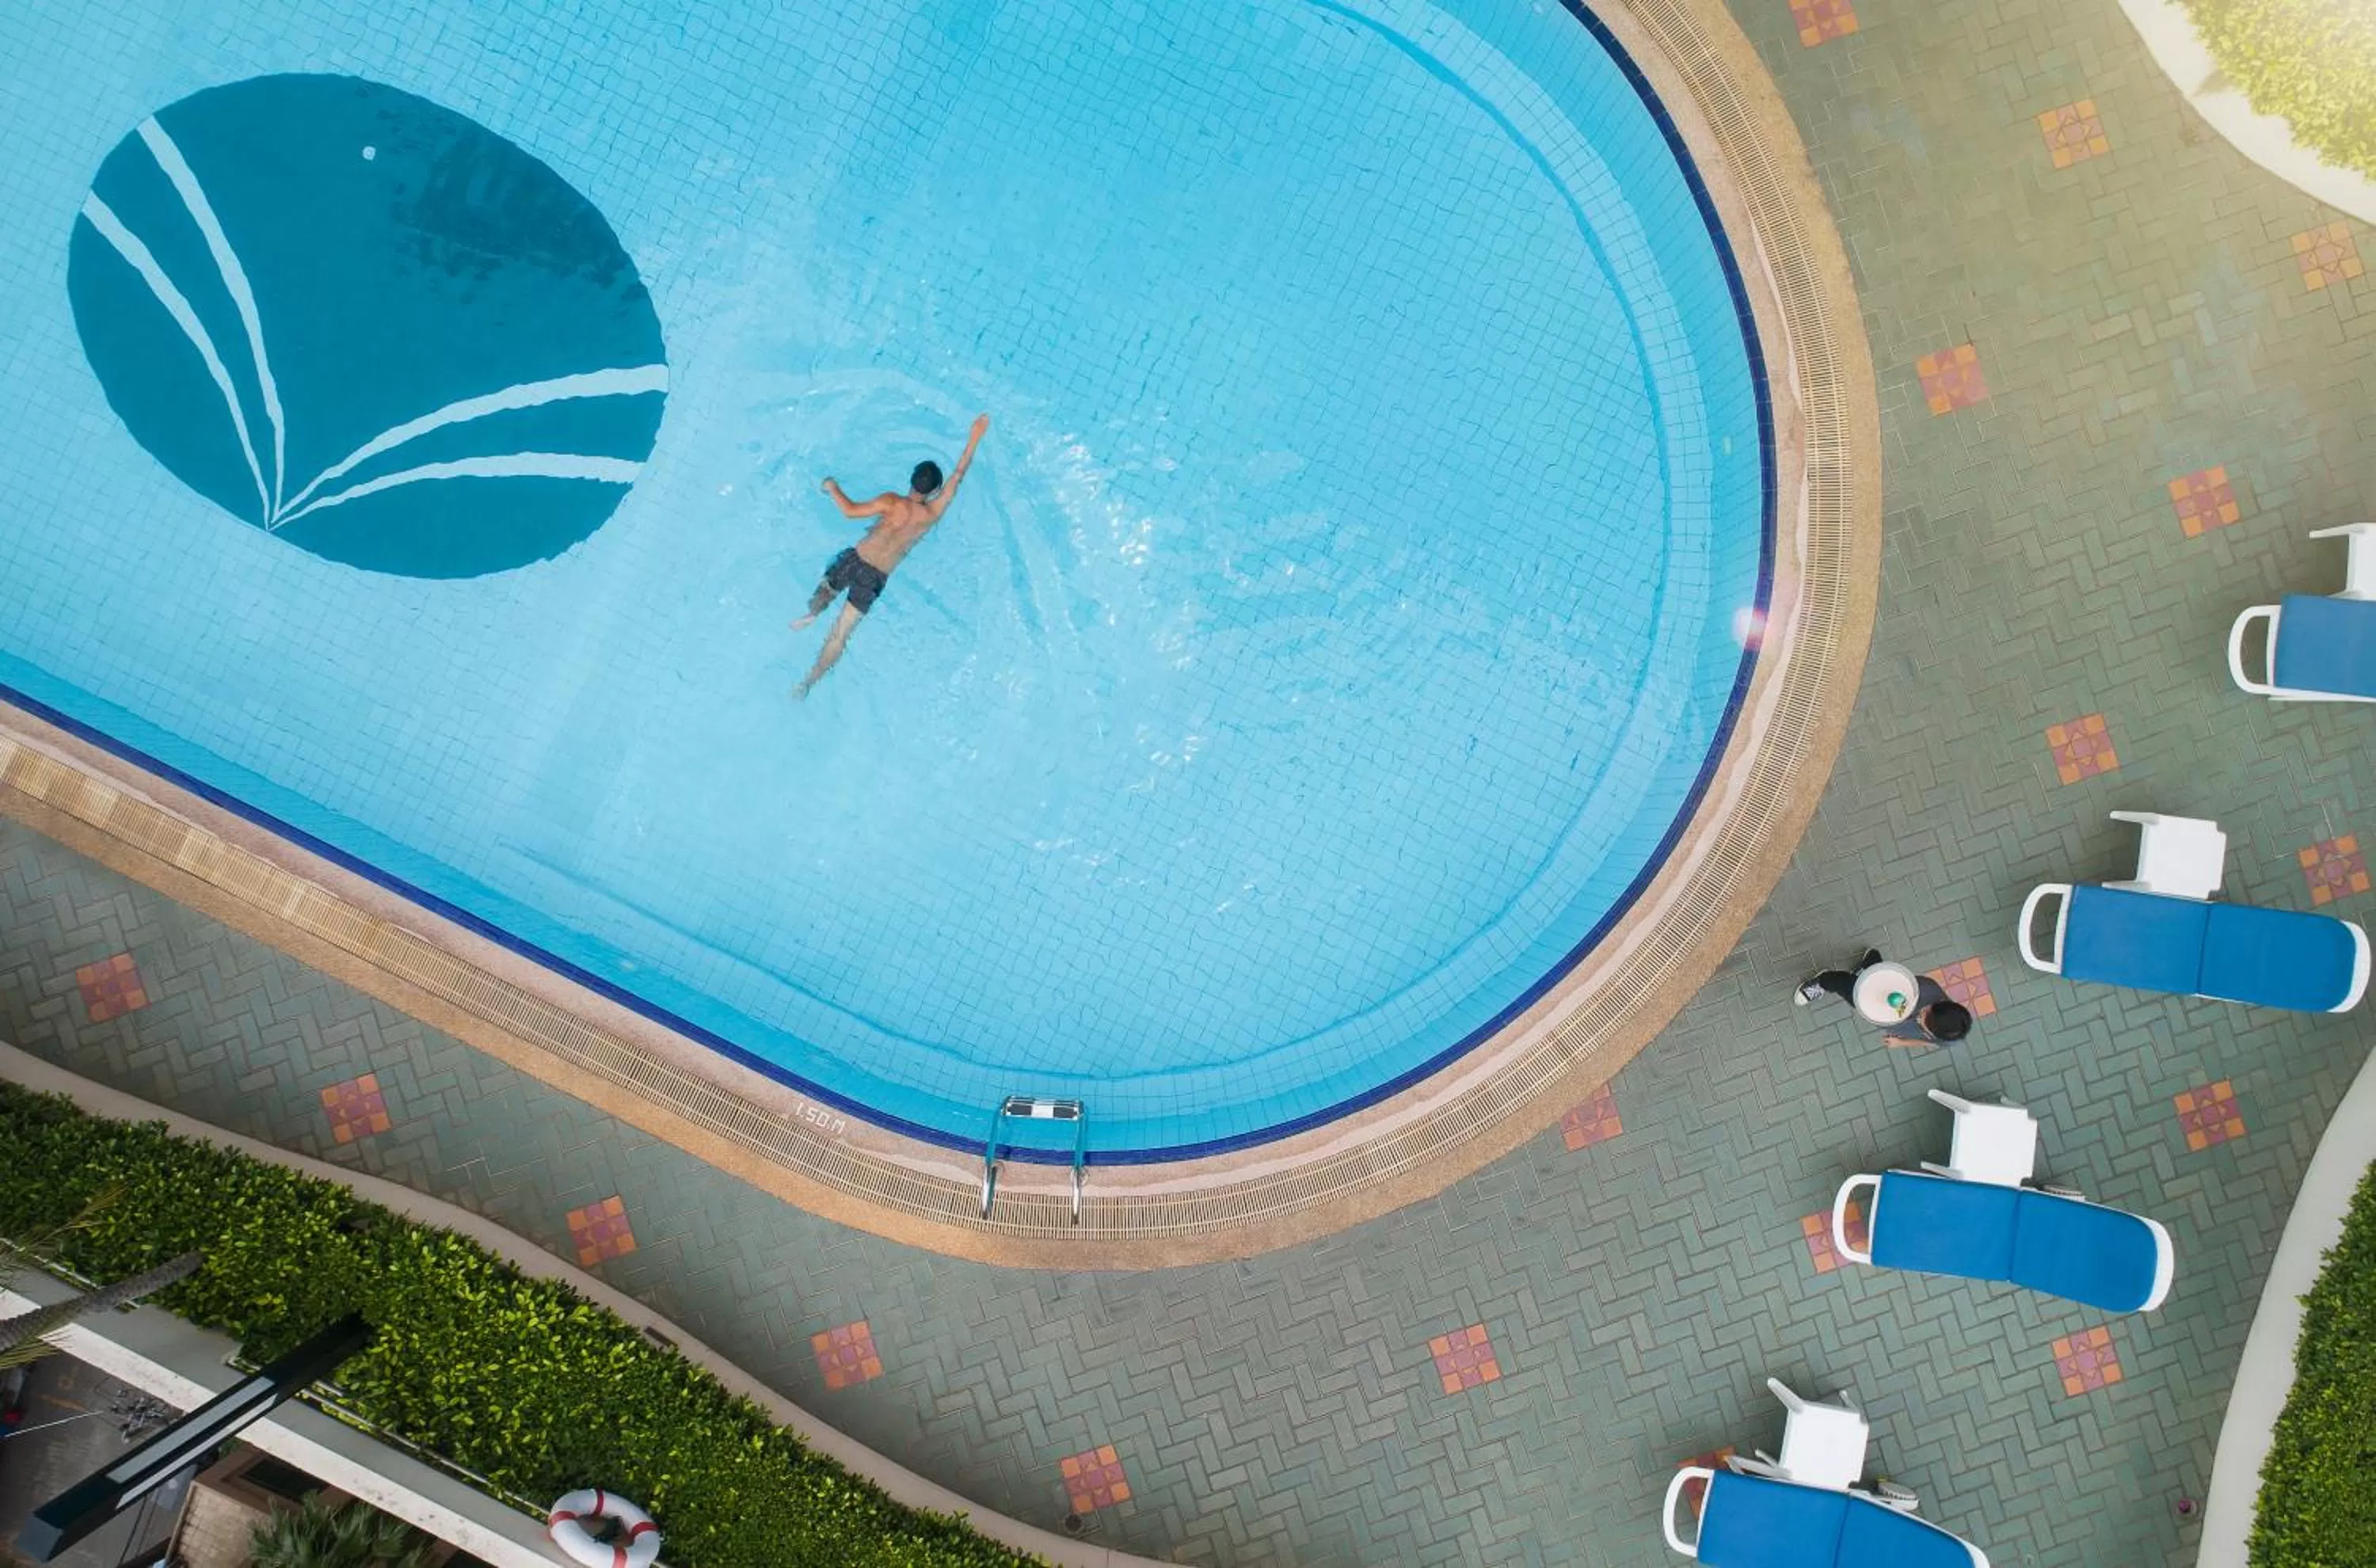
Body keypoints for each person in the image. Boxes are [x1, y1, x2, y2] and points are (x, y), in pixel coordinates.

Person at [792, 413, 992, 697]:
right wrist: (975, 437)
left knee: (827, 588)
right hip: (875, 578)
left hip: (855, 560)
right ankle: (807, 682)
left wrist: (832, 487)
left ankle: (810, 615)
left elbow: (850, 511)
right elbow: (958, 477)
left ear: (910, 480)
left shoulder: (891, 502)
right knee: (841, 633)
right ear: (935, 490)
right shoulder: (932, 514)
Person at [1795, 947, 1971, 1046]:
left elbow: (1930, 1043)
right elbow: (1890, 981)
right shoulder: (1925, 988)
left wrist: (1901, 1043)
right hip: (1878, 998)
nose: (1921, 1012)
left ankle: (1871, 962)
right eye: (1926, 1010)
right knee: (1849, 989)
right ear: (1940, 1003)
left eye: (1925, 1021)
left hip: (1884, 1018)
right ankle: (1824, 981)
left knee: (1871, 969)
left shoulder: (1948, 1037)